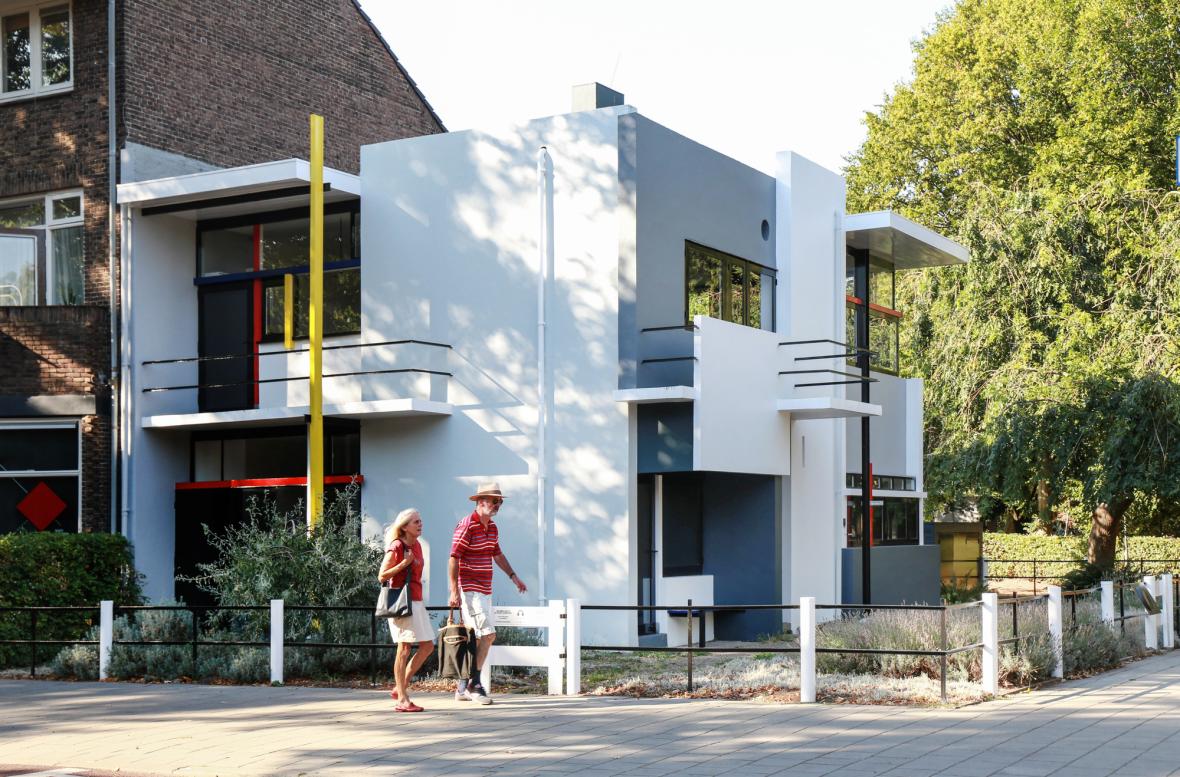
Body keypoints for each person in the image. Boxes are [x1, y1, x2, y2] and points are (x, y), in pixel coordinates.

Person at [449, 481, 527, 705]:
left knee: (478, 636)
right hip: (470, 589)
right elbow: (453, 557)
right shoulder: (467, 525)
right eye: (494, 501)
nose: (498, 505)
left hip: (485, 590)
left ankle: (463, 686)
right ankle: (475, 684)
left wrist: (514, 577)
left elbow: (497, 554)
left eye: (500, 502)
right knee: (488, 634)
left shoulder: (492, 528)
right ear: (480, 502)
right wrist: (454, 590)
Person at [378, 508, 435, 713]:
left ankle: (399, 685)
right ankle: (402, 698)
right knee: (404, 649)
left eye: (420, 521)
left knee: (427, 646)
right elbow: (382, 576)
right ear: (404, 527)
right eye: (415, 522)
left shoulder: (417, 545)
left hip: (417, 601)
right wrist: (404, 563)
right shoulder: (397, 546)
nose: (420, 524)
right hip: (401, 603)